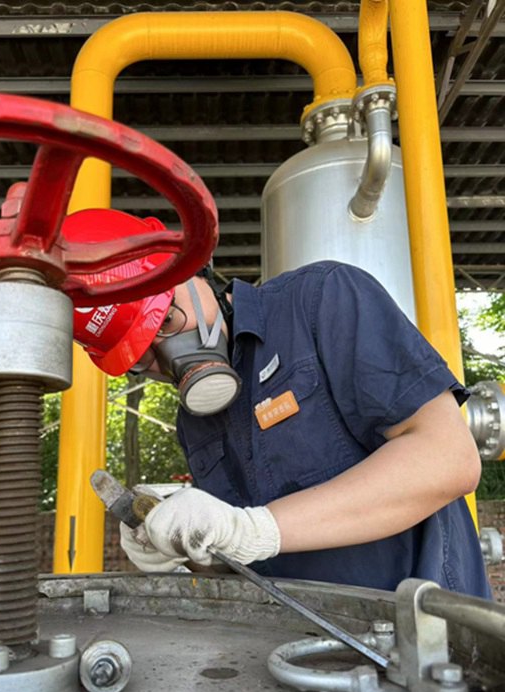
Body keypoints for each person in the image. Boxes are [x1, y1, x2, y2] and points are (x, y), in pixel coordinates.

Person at [69, 208, 492, 599]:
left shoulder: (321, 300)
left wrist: (253, 528)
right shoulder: (194, 422)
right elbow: (252, 557)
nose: (172, 359)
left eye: (166, 321)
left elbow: (449, 460)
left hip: (427, 640)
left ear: (194, 272)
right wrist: (187, 545)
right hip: (296, 654)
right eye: (142, 357)